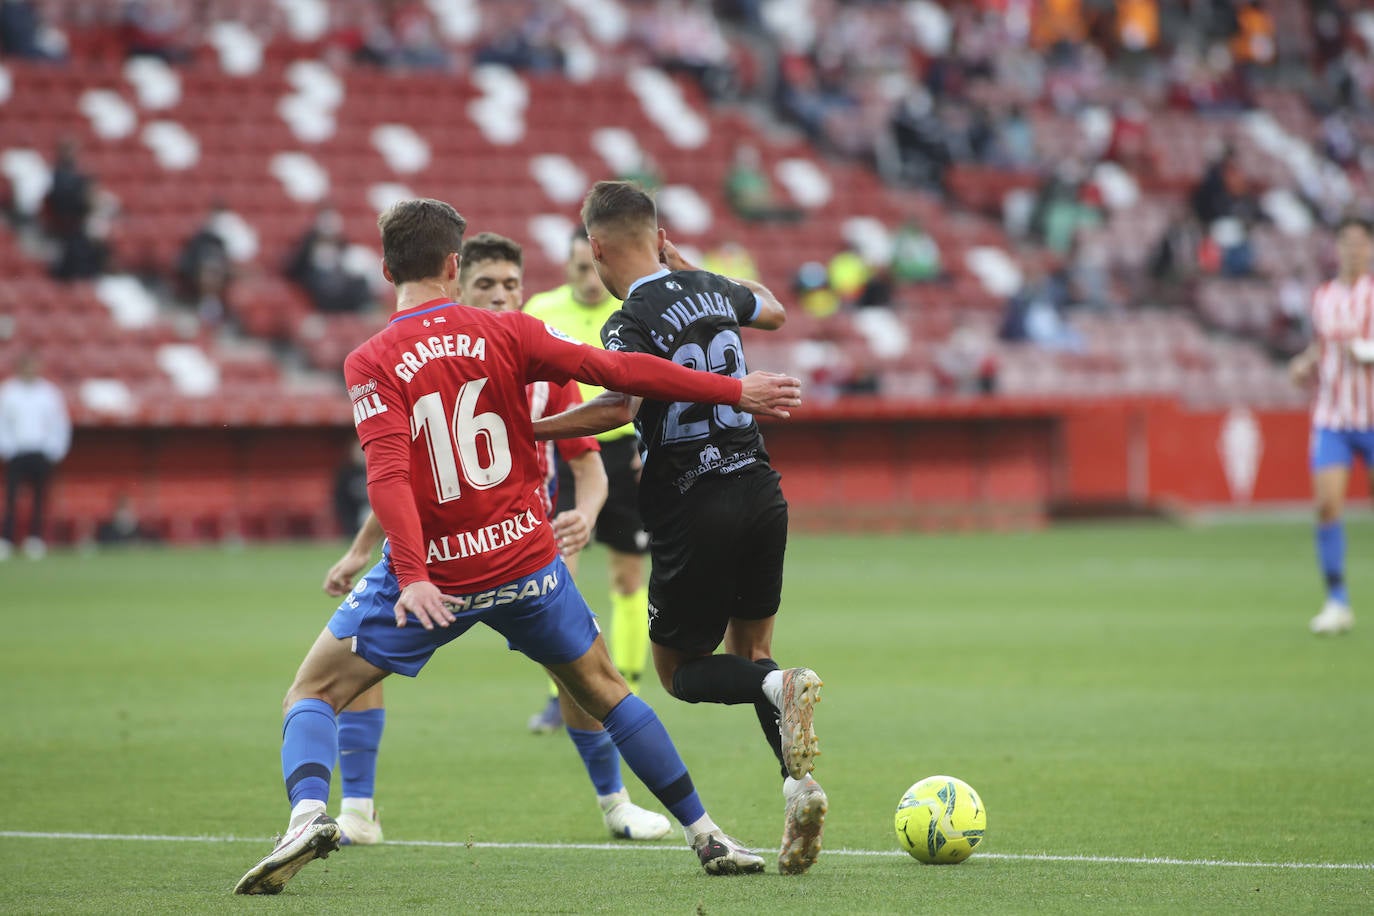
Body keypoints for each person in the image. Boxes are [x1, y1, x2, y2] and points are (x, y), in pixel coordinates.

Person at [234, 198, 802, 895]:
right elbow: (622, 374)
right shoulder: (511, 333)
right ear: (453, 265)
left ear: (385, 269)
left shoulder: (371, 362)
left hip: (438, 572)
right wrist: (731, 389)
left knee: (314, 691)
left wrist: (410, 574)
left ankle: (308, 816)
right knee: (607, 690)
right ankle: (705, 831)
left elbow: (386, 476)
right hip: (526, 561)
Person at [318, 232, 672, 846]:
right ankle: (358, 807)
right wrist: (358, 553)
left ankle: (616, 804)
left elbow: (587, 464)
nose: (504, 296)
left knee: (579, 676)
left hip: (523, 550)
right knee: (359, 665)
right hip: (440, 558)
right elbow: (399, 476)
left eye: (512, 284)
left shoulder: (537, 360)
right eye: (487, 285)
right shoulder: (429, 361)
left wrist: (585, 516)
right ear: (456, 285)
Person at [531, 181, 827, 876]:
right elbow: (777, 311)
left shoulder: (626, 319)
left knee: (681, 673)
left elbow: (615, 407)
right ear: (661, 235)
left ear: (598, 248)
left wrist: (533, 427)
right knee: (755, 656)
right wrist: (691, 267)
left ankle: (780, 702)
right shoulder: (711, 287)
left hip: (695, 503)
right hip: (760, 488)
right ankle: (799, 785)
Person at [523, 227, 650, 732]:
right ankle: (565, 694)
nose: (590, 278)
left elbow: (653, 377)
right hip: (569, 453)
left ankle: (629, 689)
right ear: (568, 267)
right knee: (560, 577)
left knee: (628, 577)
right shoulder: (540, 309)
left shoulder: (632, 309)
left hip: (625, 453)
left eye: (594, 267)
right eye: (580, 268)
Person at [1289, 216, 1374, 636]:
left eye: (1360, 243)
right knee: (1326, 505)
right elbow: (1321, 346)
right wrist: (1304, 364)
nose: (1353, 251)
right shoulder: (1323, 296)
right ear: (1337, 249)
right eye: (1346, 243)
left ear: (1370, 249)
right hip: (1333, 417)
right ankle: (1337, 601)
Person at [0, 354, 71, 560]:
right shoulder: (8, 392)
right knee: (11, 498)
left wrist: (55, 449)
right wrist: (7, 448)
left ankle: (35, 538)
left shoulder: (48, 393)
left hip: (41, 452)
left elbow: (59, 423)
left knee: (41, 497)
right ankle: (6, 539)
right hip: (17, 451)